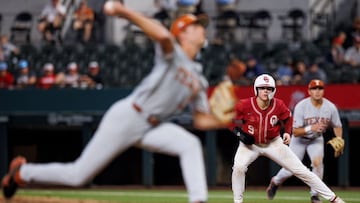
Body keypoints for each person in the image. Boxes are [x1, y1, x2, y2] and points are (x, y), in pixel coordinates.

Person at [2, 2, 228, 203]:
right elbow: (162, 36)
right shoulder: (172, 53)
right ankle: (22, 172)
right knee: (77, 176)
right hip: (129, 116)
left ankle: (198, 200)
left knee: (190, 144)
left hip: (152, 126)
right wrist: (123, 11)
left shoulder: (198, 78)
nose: (202, 29)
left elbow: (200, 120)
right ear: (183, 34)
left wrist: (225, 120)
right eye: (196, 25)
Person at [230, 73, 345, 203]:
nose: (265, 91)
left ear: (273, 91)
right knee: (238, 167)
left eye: (268, 88)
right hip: (250, 145)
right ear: (256, 89)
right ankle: (237, 201)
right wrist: (238, 133)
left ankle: (334, 199)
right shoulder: (244, 104)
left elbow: (288, 118)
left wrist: (286, 133)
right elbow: (228, 119)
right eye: (262, 88)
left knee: (302, 171)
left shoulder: (278, 104)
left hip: (273, 143)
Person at [266, 79, 344, 203]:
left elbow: (337, 125)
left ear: (323, 91)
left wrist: (339, 138)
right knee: (290, 169)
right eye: (314, 89)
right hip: (299, 140)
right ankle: (275, 181)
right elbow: (295, 131)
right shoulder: (301, 106)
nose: (317, 91)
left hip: (316, 139)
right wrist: (310, 128)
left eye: (320, 88)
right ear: (309, 91)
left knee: (318, 164)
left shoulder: (330, 107)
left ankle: (314, 195)